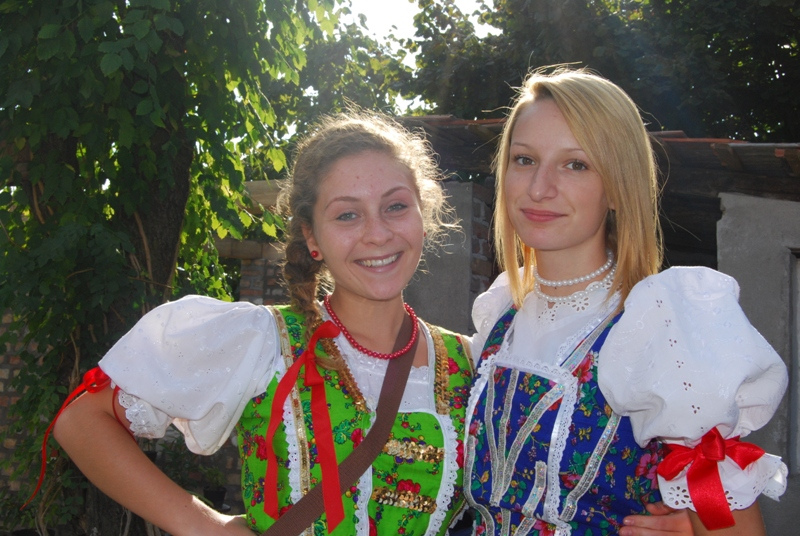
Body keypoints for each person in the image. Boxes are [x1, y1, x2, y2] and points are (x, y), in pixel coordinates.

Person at [51, 110, 475, 535]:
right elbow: (82, 421)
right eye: (348, 215)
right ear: (312, 238)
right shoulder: (263, 342)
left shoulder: (473, 362)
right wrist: (208, 527)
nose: (378, 234)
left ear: (423, 218)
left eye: (396, 207)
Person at [463, 68, 788, 536]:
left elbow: (733, 526)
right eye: (524, 159)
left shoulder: (660, 331)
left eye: (576, 164)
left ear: (618, 187)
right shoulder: (499, 318)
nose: (538, 188)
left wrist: (697, 532)